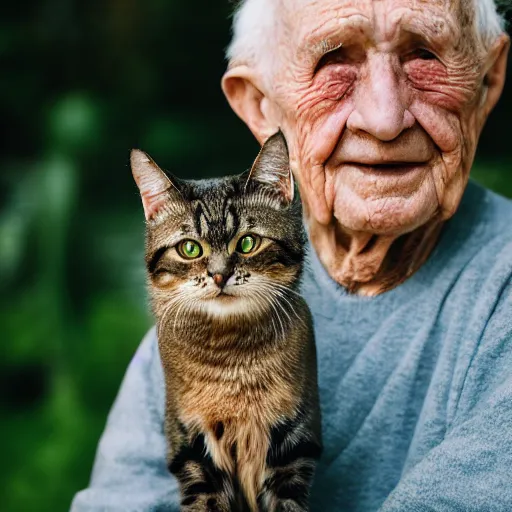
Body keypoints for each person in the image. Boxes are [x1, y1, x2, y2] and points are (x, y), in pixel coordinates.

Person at [72, 0, 512, 510]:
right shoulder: (190, 317)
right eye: (333, 61)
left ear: (487, 81)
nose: (385, 118)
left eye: (424, 55)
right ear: (261, 107)